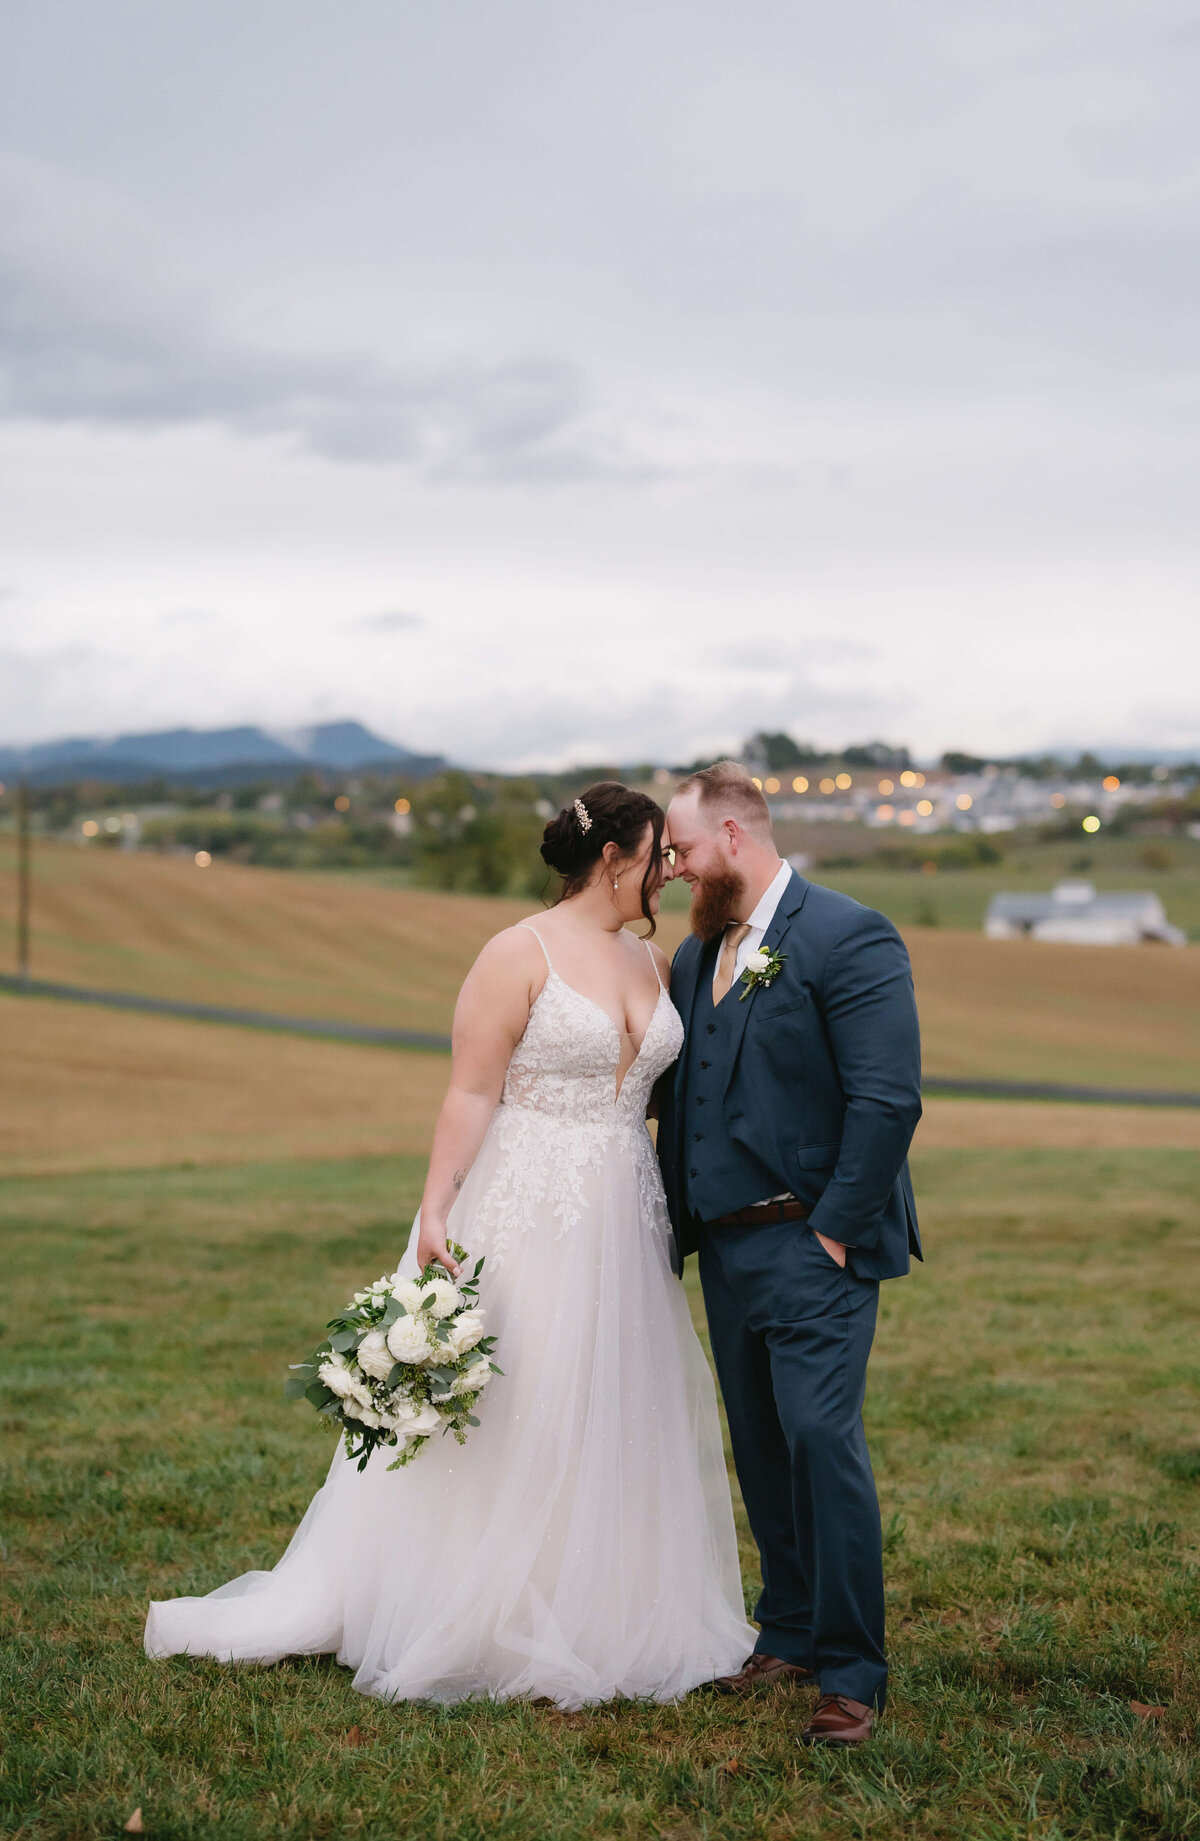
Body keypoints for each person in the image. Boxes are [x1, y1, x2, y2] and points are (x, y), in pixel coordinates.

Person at [145, 781, 754, 1707]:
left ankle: (607, 1603)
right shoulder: (517, 952)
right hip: (526, 1204)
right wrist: (435, 1208)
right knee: (526, 1390)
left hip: (624, 1213)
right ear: (616, 858)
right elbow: (470, 1091)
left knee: (617, 1394)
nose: (672, 867)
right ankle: (477, 1604)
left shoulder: (651, 957)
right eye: (660, 854)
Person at [658, 761, 922, 1746]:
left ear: (733, 836)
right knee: (760, 1445)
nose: (677, 870)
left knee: (819, 1437)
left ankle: (852, 1669)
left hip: (816, 1243)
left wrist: (835, 1226)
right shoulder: (695, 959)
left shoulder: (850, 934)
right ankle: (792, 1627)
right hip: (725, 1251)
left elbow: (887, 1099)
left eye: (683, 850)